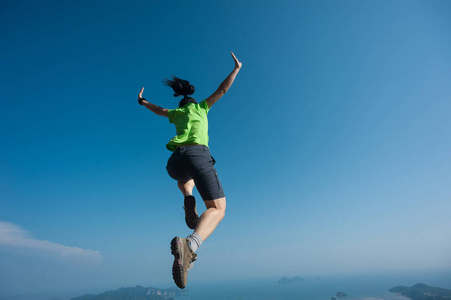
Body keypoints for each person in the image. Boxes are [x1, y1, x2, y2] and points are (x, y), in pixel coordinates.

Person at [137, 52, 242, 289]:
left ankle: (188, 198)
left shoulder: (176, 114)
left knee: (184, 181)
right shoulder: (201, 108)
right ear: (194, 103)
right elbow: (222, 90)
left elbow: (159, 110)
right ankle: (190, 245)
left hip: (175, 162)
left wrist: (142, 101)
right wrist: (236, 69)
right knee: (217, 209)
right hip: (198, 155)